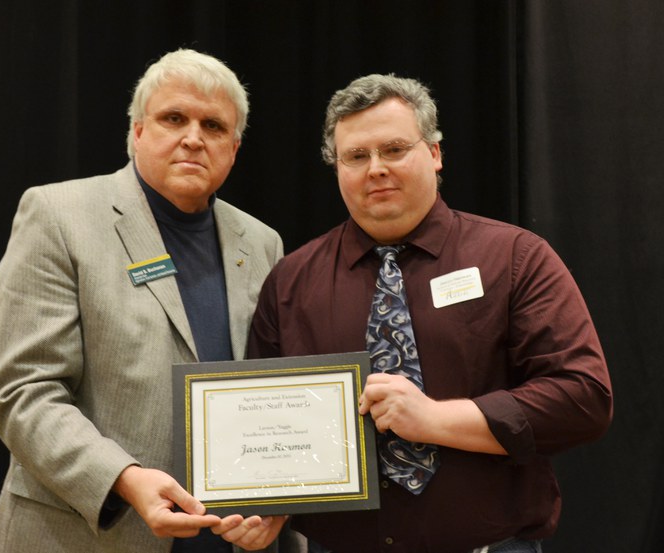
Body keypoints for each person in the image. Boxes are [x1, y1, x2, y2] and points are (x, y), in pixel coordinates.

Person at [247, 74, 613, 553]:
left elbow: (583, 399)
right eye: (356, 156)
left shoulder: (516, 258)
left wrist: (434, 419)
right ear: (337, 168)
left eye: (394, 149)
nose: (375, 168)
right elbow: (261, 424)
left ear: (435, 154)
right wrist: (261, 505)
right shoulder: (290, 282)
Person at [0, 48, 291, 553]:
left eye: (213, 126)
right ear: (138, 132)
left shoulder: (261, 243)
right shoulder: (58, 216)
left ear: (234, 148)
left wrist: (281, 497)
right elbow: (25, 392)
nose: (193, 137)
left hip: (227, 539)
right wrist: (124, 479)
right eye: (174, 118)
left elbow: (271, 391)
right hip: (89, 532)